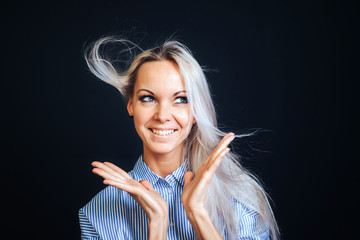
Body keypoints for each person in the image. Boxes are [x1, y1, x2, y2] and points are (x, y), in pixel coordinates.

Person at [79, 36, 279, 240]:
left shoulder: (240, 196)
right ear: (131, 105)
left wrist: (197, 214)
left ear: (195, 112)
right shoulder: (96, 214)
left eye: (181, 99)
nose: (163, 115)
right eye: (148, 98)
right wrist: (157, 225)